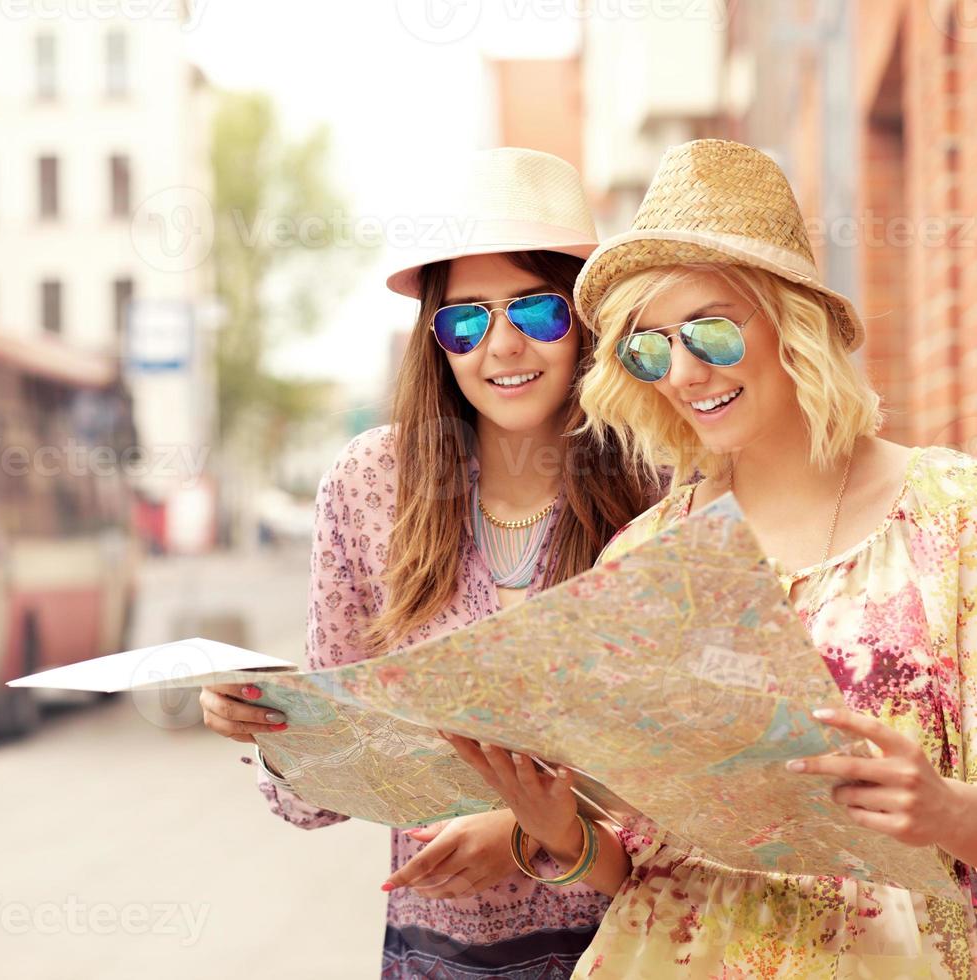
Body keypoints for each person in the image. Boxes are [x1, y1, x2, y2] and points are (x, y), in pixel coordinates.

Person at [448, 138, 977, 977]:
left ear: (791, 326)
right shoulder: (649, 556)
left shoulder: (955, 516)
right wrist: (561, 833)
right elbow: (639, 861)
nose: (686, 372)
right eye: (650, 348)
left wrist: (951, 814)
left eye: (712, 333)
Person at [200, 148, 661, 978]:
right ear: (435, 339)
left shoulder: (661, 476)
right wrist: (273, 728)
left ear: (586, 319)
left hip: (643, 945)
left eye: (537, 312)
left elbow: (701, 760)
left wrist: (532, 833)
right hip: (442, 957)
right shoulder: (371, 483)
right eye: (466, 320)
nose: (503, 346)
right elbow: (313, 799)